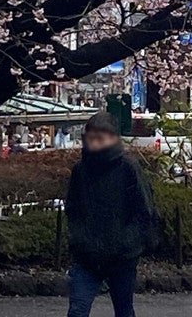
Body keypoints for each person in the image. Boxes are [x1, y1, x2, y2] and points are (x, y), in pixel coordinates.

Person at [65, 112, 158, 317]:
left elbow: (144, 210)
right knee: (77, 310)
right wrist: (79, 239)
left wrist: (126, 241)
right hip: (87, 256)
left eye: (100, 138)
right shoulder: (81, 170)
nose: (94, 143)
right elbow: (72, 207)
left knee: (124, 310)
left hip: (122, 257)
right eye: (91, 138)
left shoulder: (128, 168)